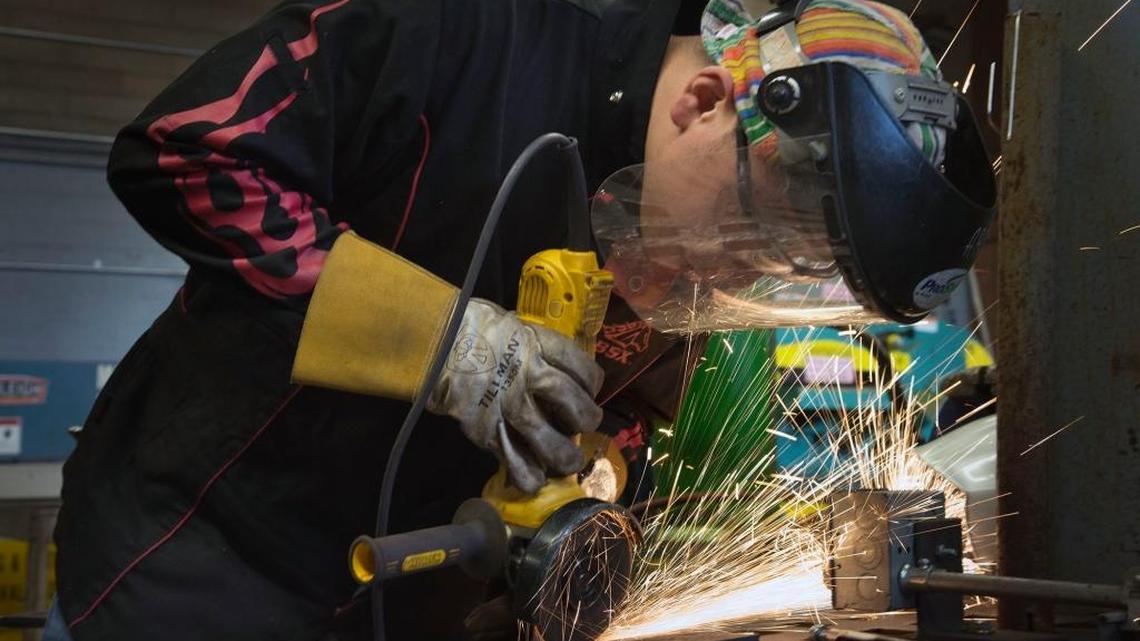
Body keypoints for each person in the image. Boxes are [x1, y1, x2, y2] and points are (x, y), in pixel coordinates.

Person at [49, 0, 994, 639]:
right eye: (746, 241)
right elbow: (188, 154)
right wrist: (447, 344)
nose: (728, 277)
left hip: (417, 605)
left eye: (769, 272)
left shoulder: (693, 232)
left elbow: (629, 411)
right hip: (199, 566)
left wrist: (603, 468)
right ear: (709, 103)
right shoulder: (462, 30)